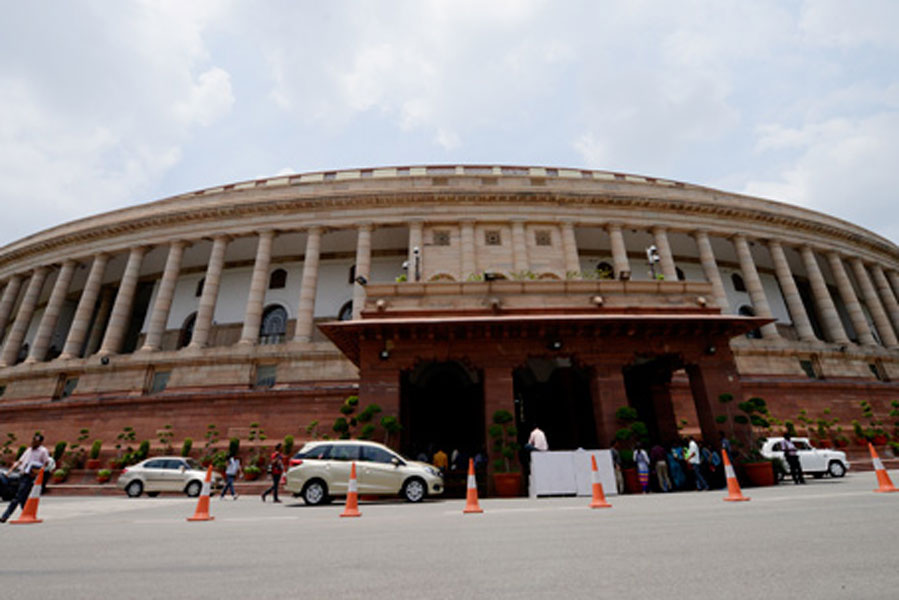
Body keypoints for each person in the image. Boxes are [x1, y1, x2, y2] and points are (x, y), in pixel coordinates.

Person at [1, 433, 51, 523]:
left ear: (40, 442)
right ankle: (26, 513)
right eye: (33, 441)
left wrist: (38, 471)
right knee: (23, 497)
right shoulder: (28, 450)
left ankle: (5, 515)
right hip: (23, 474)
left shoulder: (43, 451)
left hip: (30, 476)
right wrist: (9, 472)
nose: (34, 443)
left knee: (18, 496)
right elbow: (20, 461)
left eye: (36, 441)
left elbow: (46, 463)